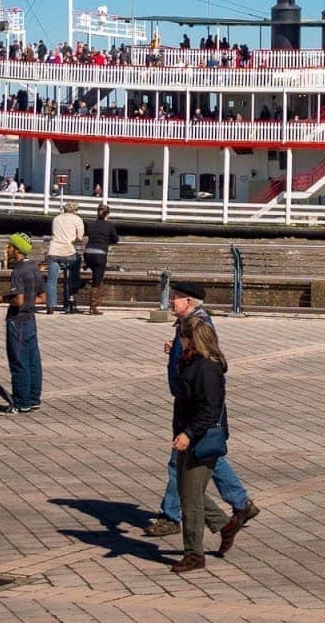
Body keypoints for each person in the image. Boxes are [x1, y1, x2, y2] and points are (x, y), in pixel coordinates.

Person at [144, 281, 259, 551]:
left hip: (195, 417)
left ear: (190, 302)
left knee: (181, 466)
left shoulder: (199, 325)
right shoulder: (186, 325)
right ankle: (239, 508)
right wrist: (174, 350)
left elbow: (207, 374)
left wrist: (190, 429)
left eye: (177, 298)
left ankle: (174, 518)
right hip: (188, 411)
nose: (172, 301)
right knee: (211, 461)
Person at [168, 314, 230, 574]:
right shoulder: (193, 361)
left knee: (190, 501)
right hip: (189, 436)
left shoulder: (207, 368)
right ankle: (226, 525)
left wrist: (189, 434)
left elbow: (208, 409)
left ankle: (194, 554)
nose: (180, 342)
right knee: (186, 491)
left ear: (193, 340)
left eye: (183, 338)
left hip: (201, 440)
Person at [0, 233, 43, 414]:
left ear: (17, 250)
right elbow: (42, 298)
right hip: (31, 319)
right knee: (33, 361)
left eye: (9, 246)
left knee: (19, 362)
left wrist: (3, 299)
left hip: (18, 321)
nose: (7, 249)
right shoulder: (34, 268)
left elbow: (18, 300)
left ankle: (21, 401)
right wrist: (28, 302)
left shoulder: (18, 271)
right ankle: (33, 399)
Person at [46, 200, 84, 315]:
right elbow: (80, 237)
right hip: (68, 252)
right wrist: (74, 240)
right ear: (74, 210)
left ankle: (51, 306)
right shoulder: (77, 219)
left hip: (53, 251)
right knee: (76, 263)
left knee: (52, 280)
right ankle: (70, 296)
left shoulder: (56, 219)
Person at [81, 202, 119, 315]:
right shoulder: (109, 225)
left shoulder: (91, 224)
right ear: (108, 214)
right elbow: (116, 239)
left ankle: (97, 302)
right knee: (96, 281)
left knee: (94, 275)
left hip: (88, 253)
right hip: (100, 254)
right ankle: (93, 307)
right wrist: (107, 241)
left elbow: (89, 235)